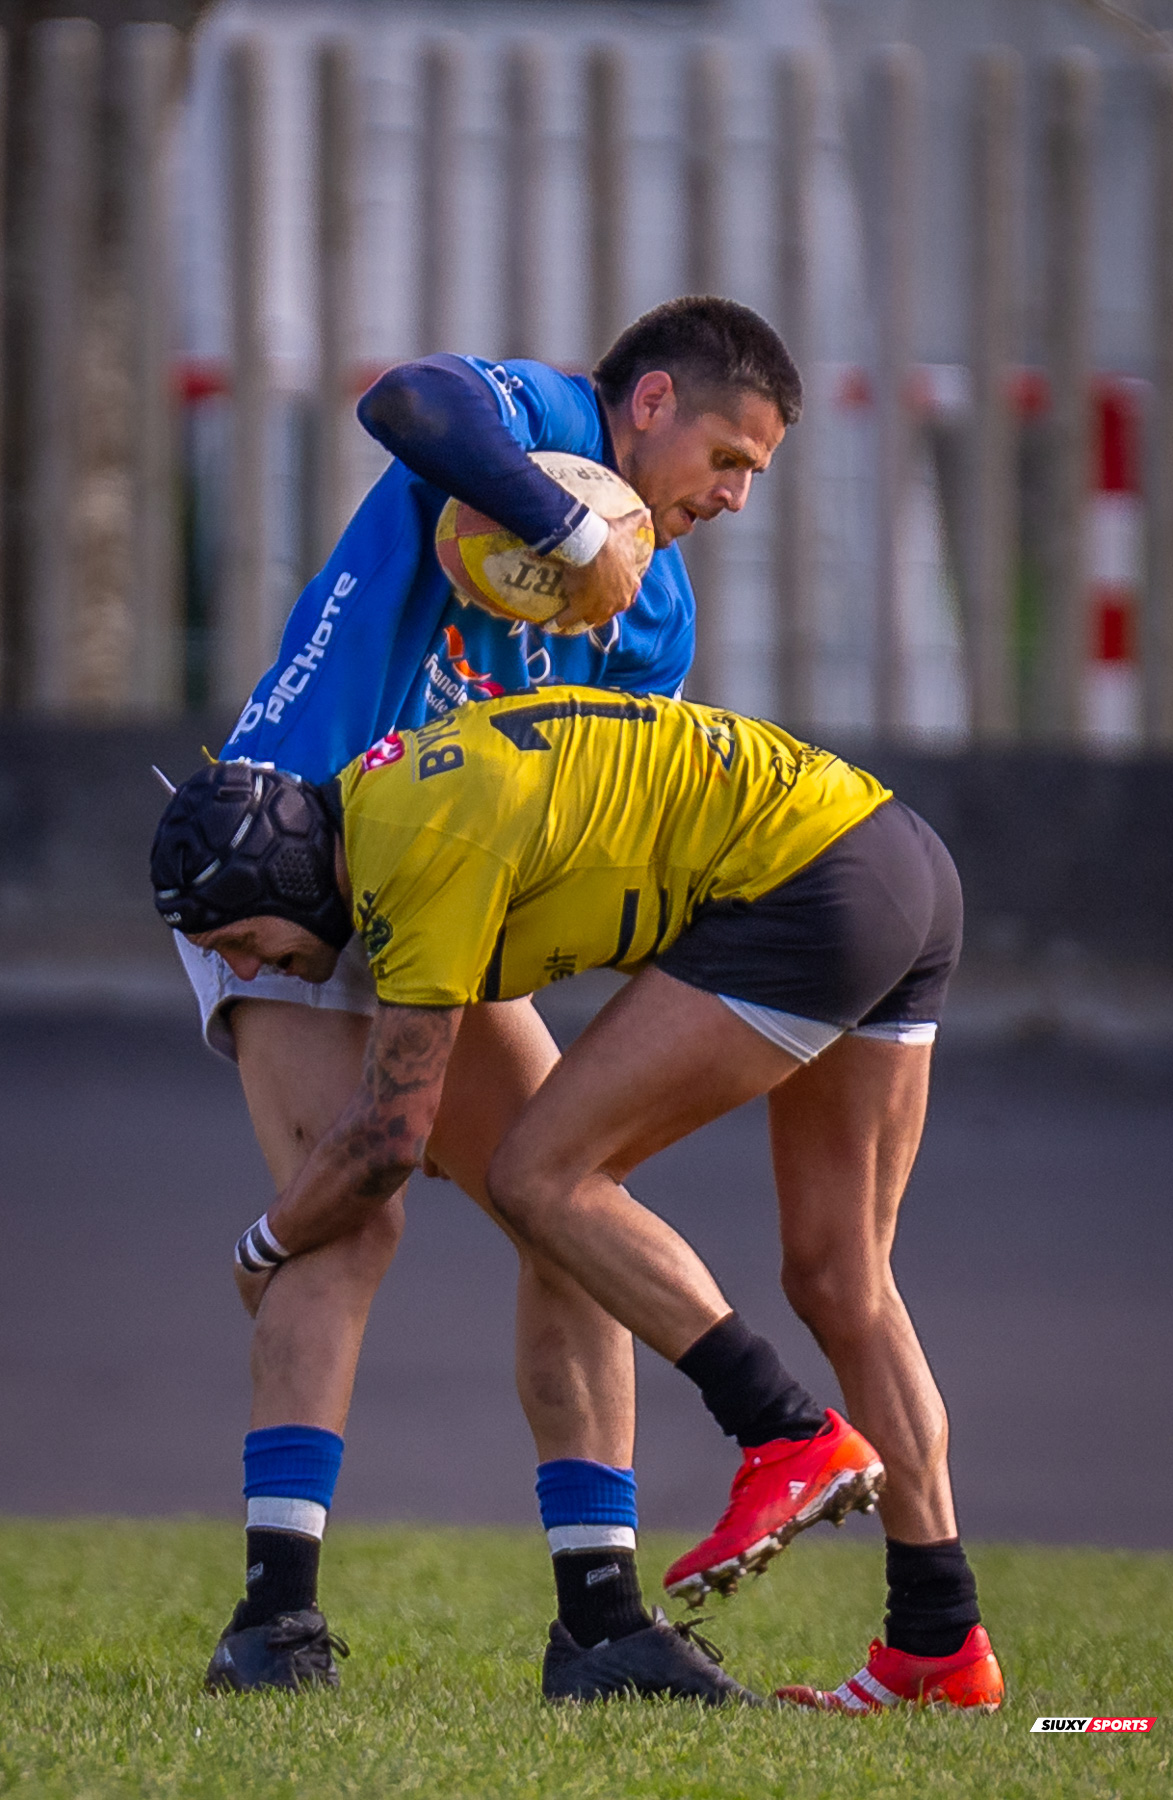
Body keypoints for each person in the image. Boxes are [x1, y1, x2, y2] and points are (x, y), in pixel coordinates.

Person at [172, 297, 803, 1694]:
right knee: (354, 1217)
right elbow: (405, 398)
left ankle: (598, 1621)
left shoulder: (655, 612)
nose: (732, 496)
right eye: (728, 454)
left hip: (437, 904)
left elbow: (587, 812)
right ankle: (272, 1623)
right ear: (646, 403)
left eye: (754, 475)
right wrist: (566, 528)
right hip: (285, 866)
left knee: (557, 1197)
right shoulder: (527, 420)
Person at [152, 687, 1005, 1714]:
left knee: (538, 1177)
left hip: (808, 887)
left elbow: (388, 1140)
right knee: (839, 1275)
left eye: (241, 940)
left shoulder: (398, 859)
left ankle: (784, 1432)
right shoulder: (398, 797)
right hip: (892, 855)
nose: (246, 969)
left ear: (289, 872)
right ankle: (937, 1638)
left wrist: (259, 1246)